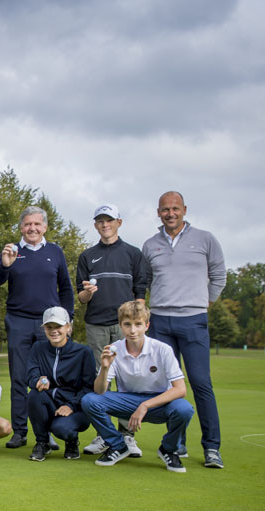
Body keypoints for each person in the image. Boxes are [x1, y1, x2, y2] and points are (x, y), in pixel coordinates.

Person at [142, 191, 226, 468]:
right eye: (165, 209)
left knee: (201, 383)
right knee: (167, 385)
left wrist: (203, 303)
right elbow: (147, 281)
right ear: (159, 212)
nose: (170, 213)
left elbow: (219, 275)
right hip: (160, 321)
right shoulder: (150, 244)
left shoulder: (205, 239)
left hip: (193, 320)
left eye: (175, 208)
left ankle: (212, 447)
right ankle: (177, 443)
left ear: (184, 210)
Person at [0, 205, 74, 450]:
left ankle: (46, 431)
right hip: (18, 321)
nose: (32, 228)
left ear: (45, 227)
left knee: (48, 379)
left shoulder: (55, 252)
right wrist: (5, 264)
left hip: (49, 324)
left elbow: (66, 288)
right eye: (28, 224)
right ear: (21, 227)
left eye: (37, 224)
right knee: (19, 378)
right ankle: (20, 432)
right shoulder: (12, 251)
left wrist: (67, 320)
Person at [80, 300, 194, 472]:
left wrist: (145, 405)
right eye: (127, 324)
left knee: (184, 409)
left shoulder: (162, 349)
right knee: (89, 400)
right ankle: (118, 445)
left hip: (158, 403)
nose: (132, 330)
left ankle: (168, 449)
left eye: (138, 324)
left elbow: (180, 389)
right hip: (128, 402)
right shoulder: (114, 349)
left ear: (147, 325)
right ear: (120, 325)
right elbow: (99, 391)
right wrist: (104, 368)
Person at [76, 203, 149, 458]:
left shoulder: (133, 253)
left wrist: (137, 324)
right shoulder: (88, 256)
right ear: (95, 225)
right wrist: (88, 292)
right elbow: (81, 298)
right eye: (100, 221)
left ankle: (127, 435)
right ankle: (104, 434)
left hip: (125, 326)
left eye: (109, 220)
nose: (104, 224)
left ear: (119, 222)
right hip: (96, 323)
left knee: (127, 378)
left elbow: (140, 291)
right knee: (101, 378)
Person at [25, 307, 96, 461]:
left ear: (68, 327)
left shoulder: (84, 352)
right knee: (34, 395)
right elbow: (31, 375)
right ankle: (42, 442)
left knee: (61, 428)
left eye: (58, 326)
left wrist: (71, 406)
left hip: (77, 408)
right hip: (50, 403)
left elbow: (89, 388)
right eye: (49, 327)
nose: (54, 331)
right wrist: (37, 381)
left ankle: (72, 441)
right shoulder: (38, 348)